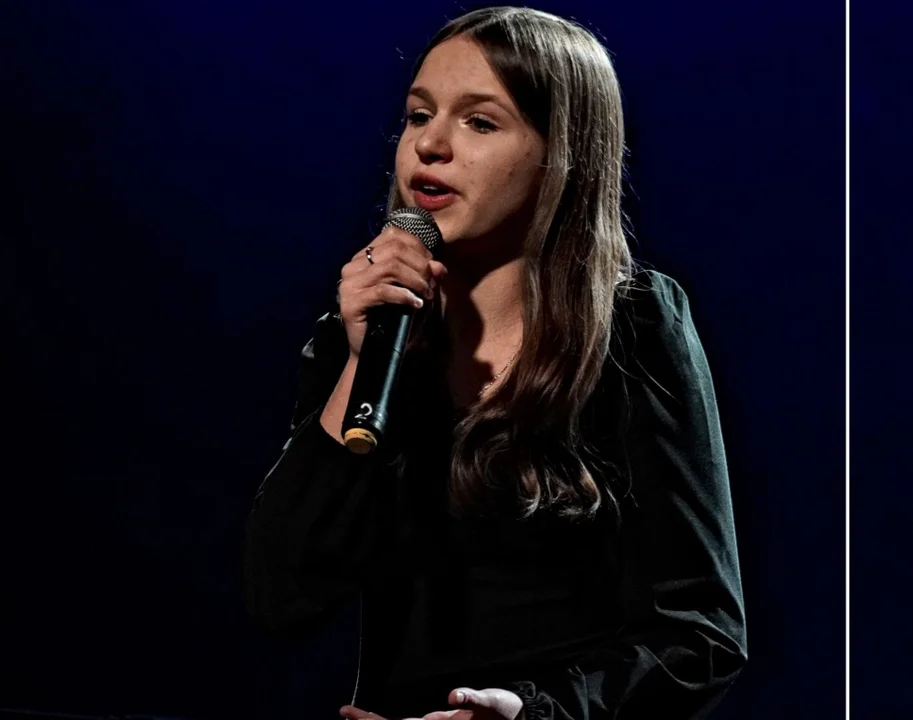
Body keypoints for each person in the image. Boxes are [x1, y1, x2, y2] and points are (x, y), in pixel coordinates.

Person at [242, 6, 747, 719]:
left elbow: (702, 635)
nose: (430, 145)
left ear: (560, 154)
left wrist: (530, 712)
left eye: (479, 122)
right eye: (418, 115)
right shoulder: (368, 336)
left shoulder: (633, 327)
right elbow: (282, 596)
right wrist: (360, 360)